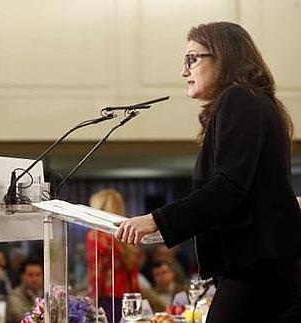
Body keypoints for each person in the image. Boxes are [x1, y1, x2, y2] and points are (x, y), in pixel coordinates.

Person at [116, 21, 301, 322]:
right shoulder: (253, 102)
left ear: (223, 56)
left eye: (192, 58)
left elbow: (227, 187)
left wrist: (156, 220)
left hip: (256, 270)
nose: (184, 71)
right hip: (262, 267)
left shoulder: (240, 98)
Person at [85, 189, 141, 321]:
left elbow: (96, 273)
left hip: (107, 299)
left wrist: (90, 302)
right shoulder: (127, 234)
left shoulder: (96, 235)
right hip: (130, 298)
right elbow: (133, 275)